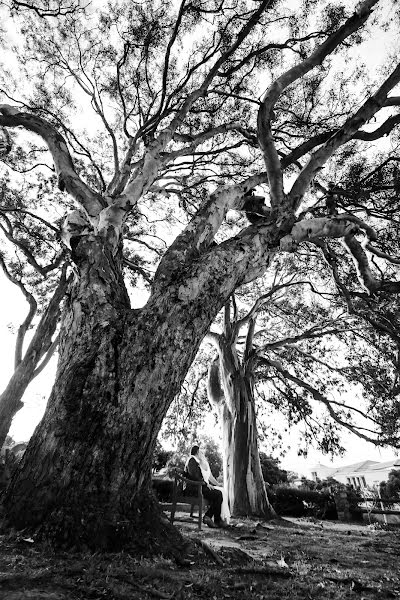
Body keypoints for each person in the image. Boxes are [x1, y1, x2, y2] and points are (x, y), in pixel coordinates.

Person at [184, 445, 226, 528]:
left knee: (217, 494)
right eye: (200, 452)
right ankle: (211, 518)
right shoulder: (192, 460)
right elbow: (195, 477)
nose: (201, 453)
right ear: (197, 452)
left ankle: (212, 518)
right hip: (194, 489)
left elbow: (197, 477)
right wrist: (206, 484)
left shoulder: (195, 461)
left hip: (198, 487)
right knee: (218, 494)